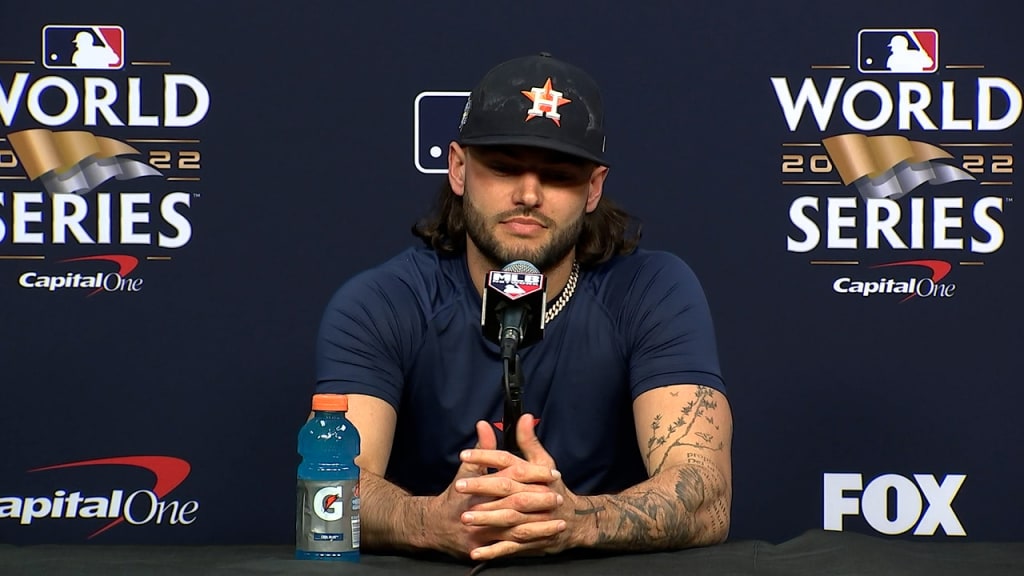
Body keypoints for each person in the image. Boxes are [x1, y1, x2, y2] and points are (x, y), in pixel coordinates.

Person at [314, 52, 732, 561]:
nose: (529, 194)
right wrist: (433, 522)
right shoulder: (382, 302)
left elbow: (706, 495)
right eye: (505, 168)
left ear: (593, 188)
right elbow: (328, 494)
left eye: (557, 175)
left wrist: (575, 519)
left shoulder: (654, 290)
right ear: (459, 169)